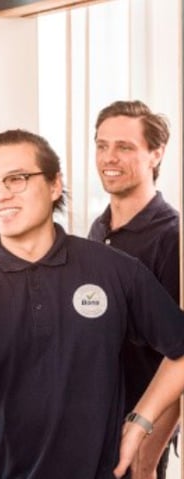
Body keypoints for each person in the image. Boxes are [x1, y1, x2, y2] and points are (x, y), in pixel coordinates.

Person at [0, 129, 184, 479]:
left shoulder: (115, 270)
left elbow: (180, 348)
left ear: (54, 185)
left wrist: (140, 421)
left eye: (16, 179)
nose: (0, 195)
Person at [89, 100, 181, 479]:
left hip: (141, 430)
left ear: (155, 154)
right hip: (98, 423)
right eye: (101, 145)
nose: (109, 157)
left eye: (125, 147)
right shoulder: (99, 229)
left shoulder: (173, 238)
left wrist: (145, 460)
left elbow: (180, 357)